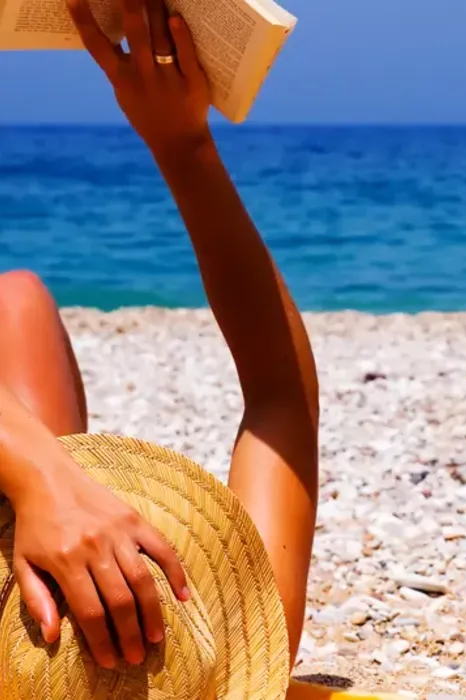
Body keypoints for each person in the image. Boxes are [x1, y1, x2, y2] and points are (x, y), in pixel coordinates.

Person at [0, 0, 318, 673]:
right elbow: (280, 392)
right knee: (16, 300)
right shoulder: (227, 662)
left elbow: (280, 398)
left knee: (17, 302)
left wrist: (42, 472)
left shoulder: (234, 658)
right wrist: (183, 146)